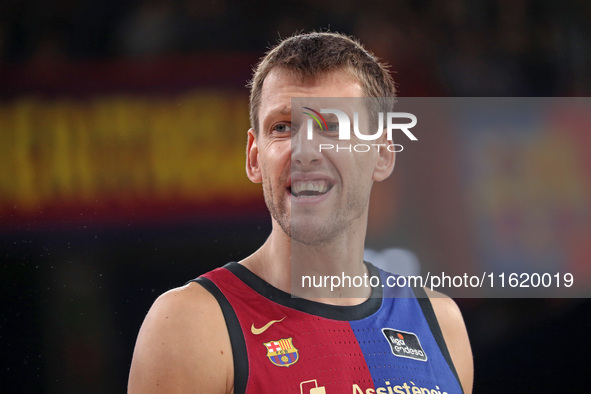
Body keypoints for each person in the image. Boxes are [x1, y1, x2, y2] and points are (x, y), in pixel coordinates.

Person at [128, 32, 473, 394]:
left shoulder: (440, 323)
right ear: (253, 156)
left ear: (383, 153)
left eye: (334, 126)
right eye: (282, 127)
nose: (305, 150)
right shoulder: (191, 324)